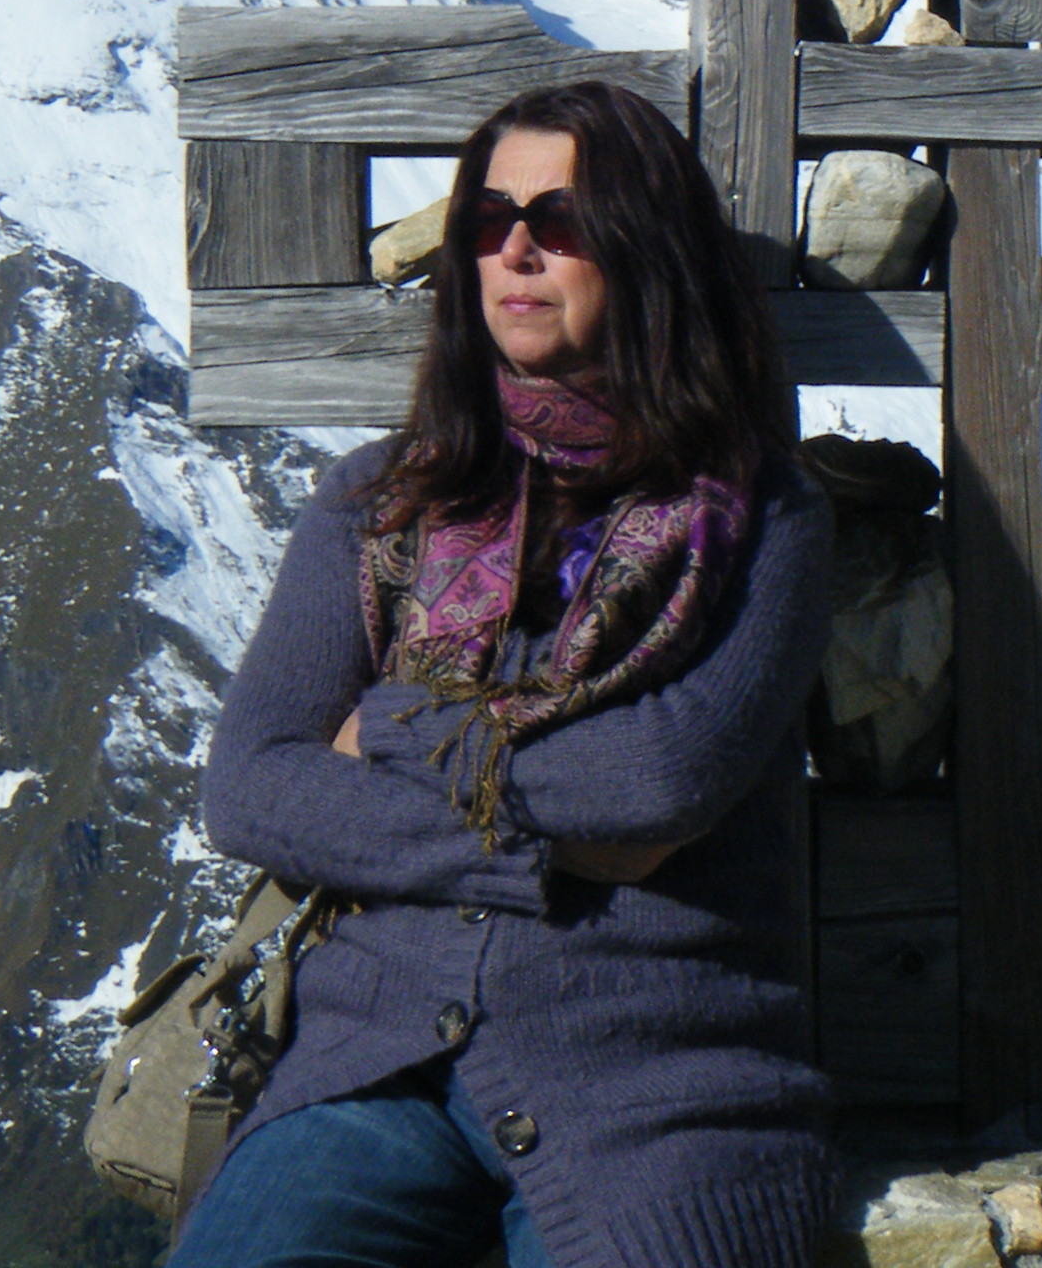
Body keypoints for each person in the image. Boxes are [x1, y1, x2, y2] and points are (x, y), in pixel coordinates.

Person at [176, 78, 836, 1268]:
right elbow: (251, 787)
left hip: (657, 1089)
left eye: (561, 221)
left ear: (644, 251)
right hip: (370, 1066)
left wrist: (388, 730)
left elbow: (661, 779)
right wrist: (540, 846)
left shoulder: (762, 516)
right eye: (488, 219)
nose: (516, 250)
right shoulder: (379, 502)